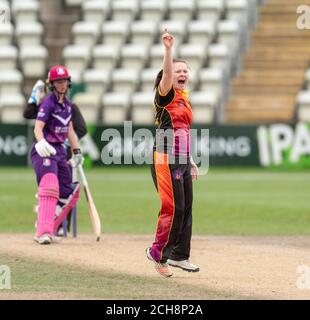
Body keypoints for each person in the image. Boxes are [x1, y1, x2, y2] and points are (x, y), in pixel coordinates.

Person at [146, 30, 200, 278]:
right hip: (164, 157)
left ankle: (180, 256)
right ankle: (158, 253)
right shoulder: (164, 95)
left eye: (185, 71)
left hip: (180, 159)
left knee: (186, 206)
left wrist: (190, 161)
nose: (182, 74)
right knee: (172, 207)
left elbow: (183, 131)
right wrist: (168, 50)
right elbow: (167, 73)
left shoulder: (184, 100)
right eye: (178, 71)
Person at [24, 77, 87, 236]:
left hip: (63, 151)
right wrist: (34, 99)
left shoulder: (70, 106)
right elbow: (29, 115)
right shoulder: (46, 103)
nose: (62, 86)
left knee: (67, 191)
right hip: (46, 147)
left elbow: (78, 129)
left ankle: (55, 223)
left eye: (64, 82)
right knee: (50, 186)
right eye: (58, 82)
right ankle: (45, 222)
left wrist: (74, 149)